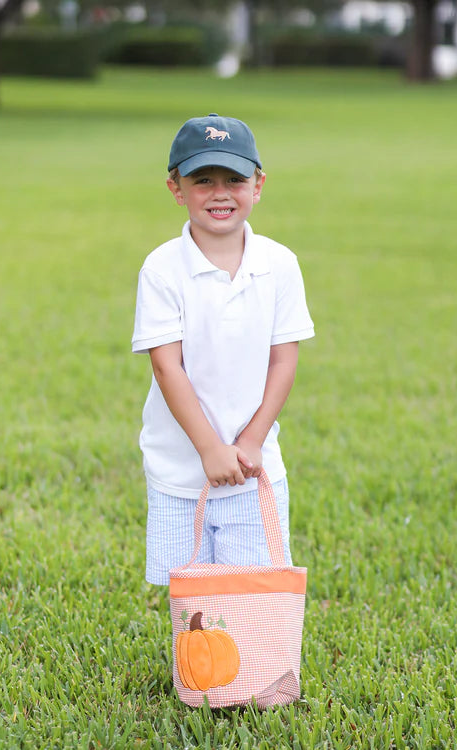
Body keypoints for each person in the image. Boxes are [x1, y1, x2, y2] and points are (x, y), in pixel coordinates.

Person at [132, 113, 314, 585]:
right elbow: (167, 367)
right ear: (176, 187)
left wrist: (250, 440)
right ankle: (194, 663)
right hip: (180, 469)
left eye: (234, 179)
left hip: (255, 470)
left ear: (258, 184)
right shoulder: (162, 269)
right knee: (191, 595)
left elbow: (284, 360)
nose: (220, 192)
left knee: (253, 589)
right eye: (203, 180)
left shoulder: (279, 264)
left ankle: (254, 663)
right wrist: (210, 449)